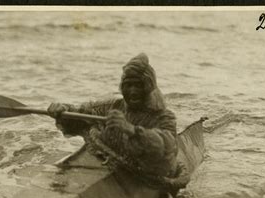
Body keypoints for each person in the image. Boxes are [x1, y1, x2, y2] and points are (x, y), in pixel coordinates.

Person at [48, 53, 178, 177]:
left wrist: (131, 130)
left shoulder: (164, 117)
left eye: (138, 85)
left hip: (146, 173)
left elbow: (167, 145)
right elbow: (81, 114)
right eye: (128, 85)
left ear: (149, 87)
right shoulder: (113, 107)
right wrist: (63, 111)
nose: (133, 91)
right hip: (112, 164)